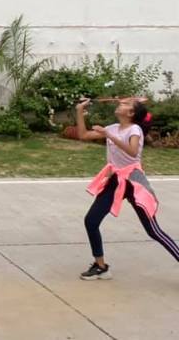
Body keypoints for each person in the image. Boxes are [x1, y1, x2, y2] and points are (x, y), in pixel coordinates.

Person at [75, 97, 179, 280]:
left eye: (125, 104)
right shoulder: (113, 128)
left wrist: (109, 136)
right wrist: (79, 112)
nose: (120, 104)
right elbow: (83, 135)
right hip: (115, 179)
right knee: (91, 221)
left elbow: (132, 152)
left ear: (131, 113)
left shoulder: (134, 129)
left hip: (133, 181)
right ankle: (101, 267)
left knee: (153, 231)